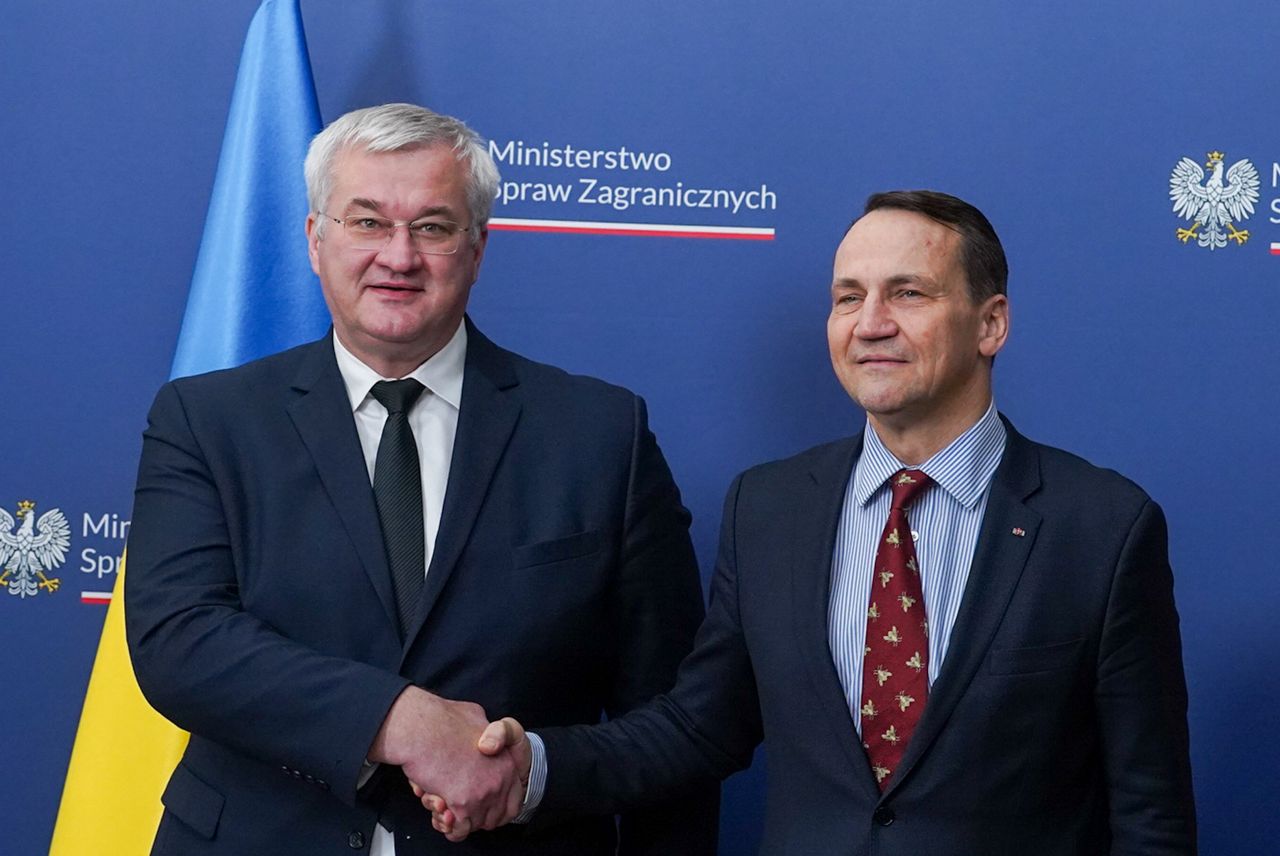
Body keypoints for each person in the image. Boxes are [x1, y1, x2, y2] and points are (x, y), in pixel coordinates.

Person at [431, 190, 1198, 854]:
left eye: (909, 294)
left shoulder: (1101, 526)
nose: (870, 324)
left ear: (990, 323)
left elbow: (1149, 812)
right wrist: (533, 766)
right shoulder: (768, 508)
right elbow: (699, 728)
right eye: (846, 297)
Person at [124, 103, 717, 856]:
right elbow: (180, 639)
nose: (398, 257)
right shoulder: (206, 419)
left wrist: (535, 774)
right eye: (366, 222)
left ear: (476, 248)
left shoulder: (602, 435)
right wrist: (398, 719)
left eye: (433, 227)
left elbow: (675, 723)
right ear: (315, 241)